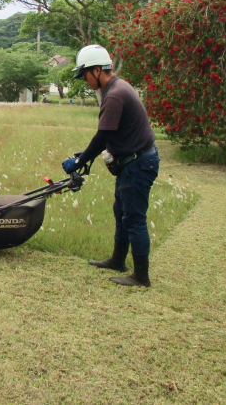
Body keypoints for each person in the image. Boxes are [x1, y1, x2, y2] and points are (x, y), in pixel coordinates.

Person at [61, 45, 159, 287]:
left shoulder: (114, 94)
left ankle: (141, 276)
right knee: (121, 212)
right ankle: (118, 260)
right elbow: (112, 135)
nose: (85, 80)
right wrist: (87, 154)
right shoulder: (117, 88)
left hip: (138, 164)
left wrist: (78, 161)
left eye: (85, 75)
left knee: (134, 218)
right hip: (132, 161)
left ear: (97, 70)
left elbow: (103, 136)